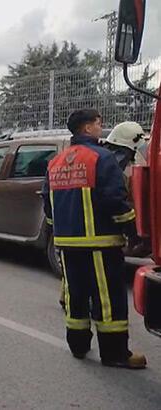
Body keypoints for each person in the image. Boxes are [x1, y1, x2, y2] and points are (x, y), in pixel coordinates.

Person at [42, 109, 146, 369]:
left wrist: (60, 232)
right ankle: (115, 354)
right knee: (108, 300)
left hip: (66, 243)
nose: (101, 128)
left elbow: (48, 203)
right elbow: (114, 200)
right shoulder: (102, 157)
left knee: (75, 296)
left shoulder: (56, 161)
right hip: (100, 243)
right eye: (98, 123)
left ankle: (78, 346)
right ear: (87, 128)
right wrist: (133, 231)